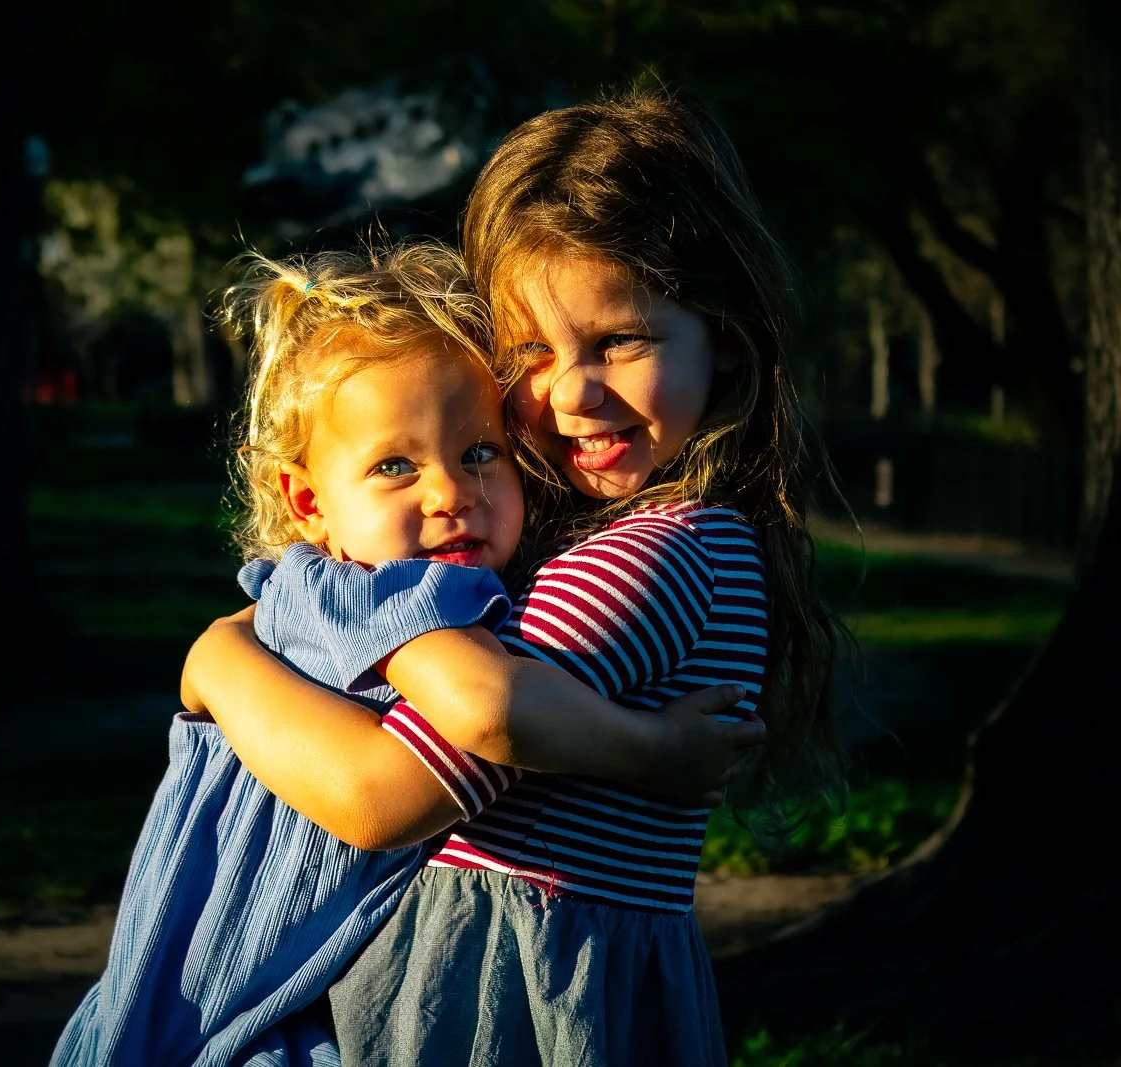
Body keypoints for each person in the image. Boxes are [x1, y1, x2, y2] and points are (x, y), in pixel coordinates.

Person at [184, 86, 848, 1066]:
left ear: (724, 337)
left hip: (506, 988)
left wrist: (224, 652)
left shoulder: (655, 555)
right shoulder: (600, 535)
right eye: (530, 349)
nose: (572, 390)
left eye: (619, 339)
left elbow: (381, 794)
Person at [53, 241, 758, 1067]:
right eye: (395, 464)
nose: (450, 492)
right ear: (309, 501)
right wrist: (656, 750)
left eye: (480, 453)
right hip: (242, 953)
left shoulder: (335, 584)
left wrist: (219, 651)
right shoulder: (392, 593)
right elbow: (488, 706)